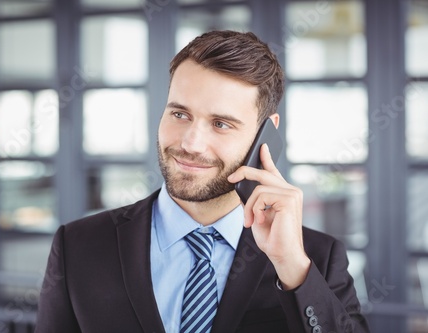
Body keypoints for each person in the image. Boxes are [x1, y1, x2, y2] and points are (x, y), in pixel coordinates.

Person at [35, 30, 369, 333]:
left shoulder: (314, 258)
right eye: (180, 114)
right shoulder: (79, 245)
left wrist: (292, 269)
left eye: (221, 124)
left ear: (265, 134)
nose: (190, 144)